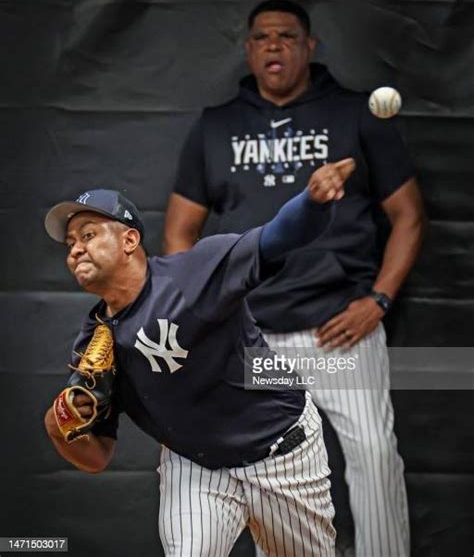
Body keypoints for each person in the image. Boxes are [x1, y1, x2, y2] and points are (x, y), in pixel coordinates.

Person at [163, 0, 425, 557]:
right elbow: (180, 231)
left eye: (286, 35)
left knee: (374, 457)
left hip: (340, 325)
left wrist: (378, 300)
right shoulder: (218, 127)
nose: (274, 45)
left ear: (310, 47)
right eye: (262, 37)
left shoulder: (356, 115)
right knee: (269, 469)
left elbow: (409, 215)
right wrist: (205, 308)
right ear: (249, 50)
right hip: (252, 332)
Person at [43, 163, 354, 557]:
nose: (75, 249)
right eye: (70, 242)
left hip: (282, 451)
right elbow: (97, 457)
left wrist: (313, 202)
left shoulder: (194, 273)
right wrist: (60, 430)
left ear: (129, 240)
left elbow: (276, 239)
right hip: (197, 467)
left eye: (88, 235)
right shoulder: (94, 345)